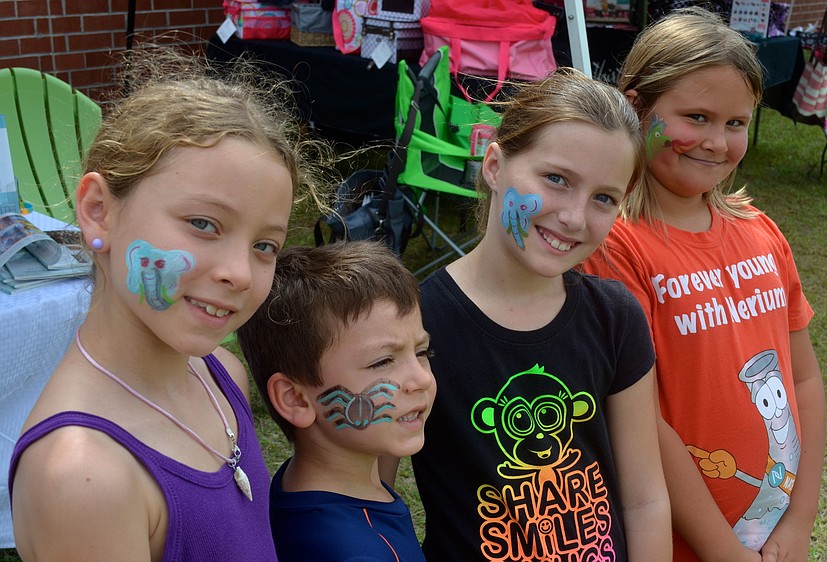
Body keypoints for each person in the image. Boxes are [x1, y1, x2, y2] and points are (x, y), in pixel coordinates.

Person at [8, 46, 321, 561]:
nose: (239, 273)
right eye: (203, 224)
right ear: (98, 212)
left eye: (265, 245)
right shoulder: (84, 477)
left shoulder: (220, 375)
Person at [381, 68, 672, 561]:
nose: (575, 217)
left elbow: (645, 499)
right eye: (556, 179)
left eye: (603, 198)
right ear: (494, 166)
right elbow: (376, 499)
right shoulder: (413, 325)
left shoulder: (616, 318)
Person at [583, 8, 826, 562]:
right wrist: (724, 550)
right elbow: (640, 419)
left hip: (773, 532)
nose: (716, 142)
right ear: (637, 105)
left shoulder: (761, 233)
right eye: (696, 116)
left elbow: (805, 380)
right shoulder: (616, 245)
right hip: (676, 542)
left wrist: (801, 520)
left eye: (736, 123)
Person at [236, 241, 435, 562]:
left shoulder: (305, 487)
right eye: (382, 362)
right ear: (296, 399)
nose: (422, 379)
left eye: (422, 352)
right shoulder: (360, 552)